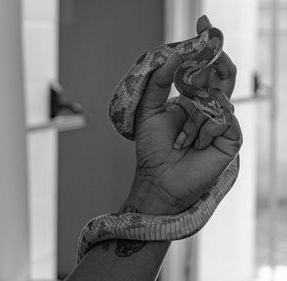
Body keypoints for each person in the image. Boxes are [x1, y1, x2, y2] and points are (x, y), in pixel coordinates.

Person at [65, 16, 242, 281]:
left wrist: (159, 194)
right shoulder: (183, 80)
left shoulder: (189, 82)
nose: (217, 115)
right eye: (212, 110)